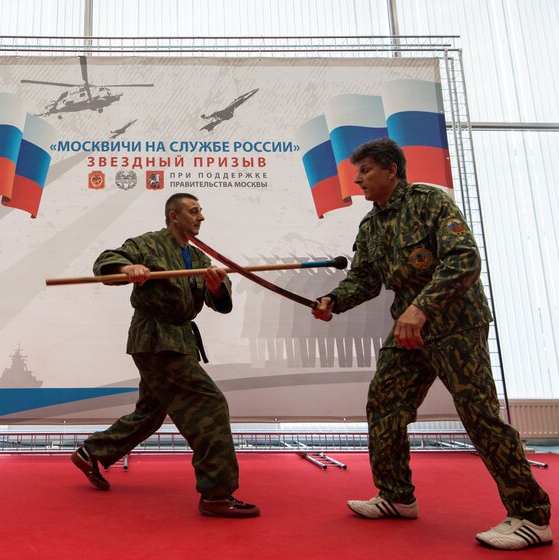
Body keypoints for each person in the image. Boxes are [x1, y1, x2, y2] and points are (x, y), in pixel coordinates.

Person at [312, 138, 551, 550]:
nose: (358, 178)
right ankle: (396, 496)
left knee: (479, 416)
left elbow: (464, 258)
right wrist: (336, 300)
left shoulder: (429, 202)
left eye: (366, 169)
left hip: (456, 324)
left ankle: (531, 516)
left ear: (391, 170)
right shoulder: (371, 224)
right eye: (358, 171)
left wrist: (421, 308)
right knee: (384, 402)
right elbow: (366, 278)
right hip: (410, 330)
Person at [70, 193, 259, 518]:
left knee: (151, 411)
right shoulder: (148, 244)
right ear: (174, 216)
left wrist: (214, 286)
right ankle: (216, 494)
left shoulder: (198, 257)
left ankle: (92, 452)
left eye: (201, 211)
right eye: (193, 211)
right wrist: (128, 267)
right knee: (208, 404)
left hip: (179, 341)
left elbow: (222, 303)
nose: (200, 217)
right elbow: (105, 262)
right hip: (156, 339)